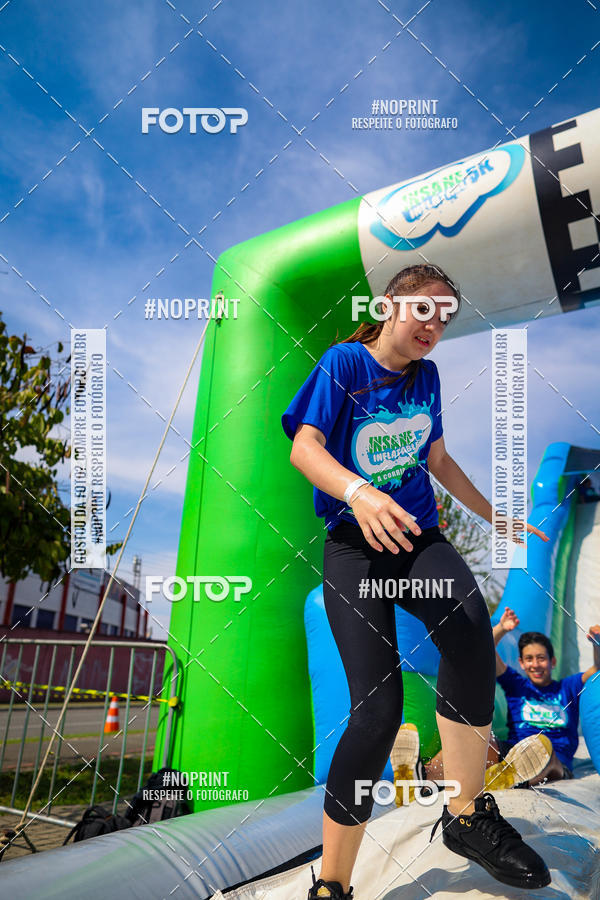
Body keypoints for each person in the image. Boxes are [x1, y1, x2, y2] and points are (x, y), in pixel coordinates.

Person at [281, 263, 552, 899]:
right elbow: (304, 448)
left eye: (446, 315)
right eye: (425, 309)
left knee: (469, 634)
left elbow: (436, 459)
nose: (435, 324)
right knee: (377, 713)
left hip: (416, 539)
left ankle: (465, 817)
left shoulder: (427, 377)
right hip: (357, 548)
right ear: (390, 306)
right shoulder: (343, 365)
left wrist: (494, 516)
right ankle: (334, 884)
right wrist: (359, 491)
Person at [491, 606, 600, 780]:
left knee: (542, 746)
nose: (535, 664)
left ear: (552, 661)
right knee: (481, 743)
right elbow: (486, 652)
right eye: (529, 659)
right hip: (514, 753)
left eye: (541, 658)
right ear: (521, 663)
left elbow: (597, 670)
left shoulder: (568, 687)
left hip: (556, 763)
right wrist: (501, 629)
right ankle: (431, 773)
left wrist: (597, 643)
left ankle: (517, 779)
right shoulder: (516, 685)